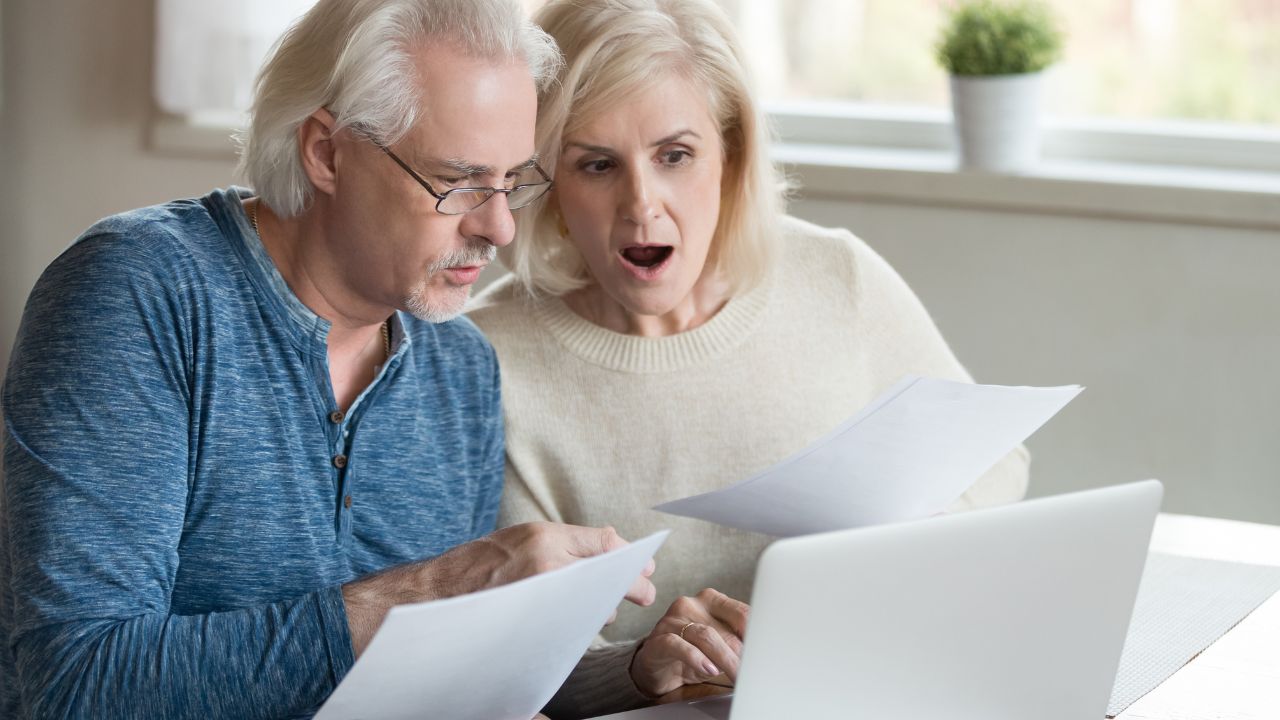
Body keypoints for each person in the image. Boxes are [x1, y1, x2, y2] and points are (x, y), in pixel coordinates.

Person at [0, 2, 658, 718]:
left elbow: (448, 673)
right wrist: (440, 589)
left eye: (512, 182)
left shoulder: (459, 367)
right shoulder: (137, 294)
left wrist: (635, 673)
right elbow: (75, 686)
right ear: (326, 152)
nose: (497, 225)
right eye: (459, 182)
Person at [467, 0, 1031, 707]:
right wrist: (641, 667)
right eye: (597, 164)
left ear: (730, 157)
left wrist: (910, 544)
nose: (642, 205)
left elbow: (999, 463)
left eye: (675, 155)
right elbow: (516, 665)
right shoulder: (483, 362)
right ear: (545, 180)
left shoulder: (837, 277)